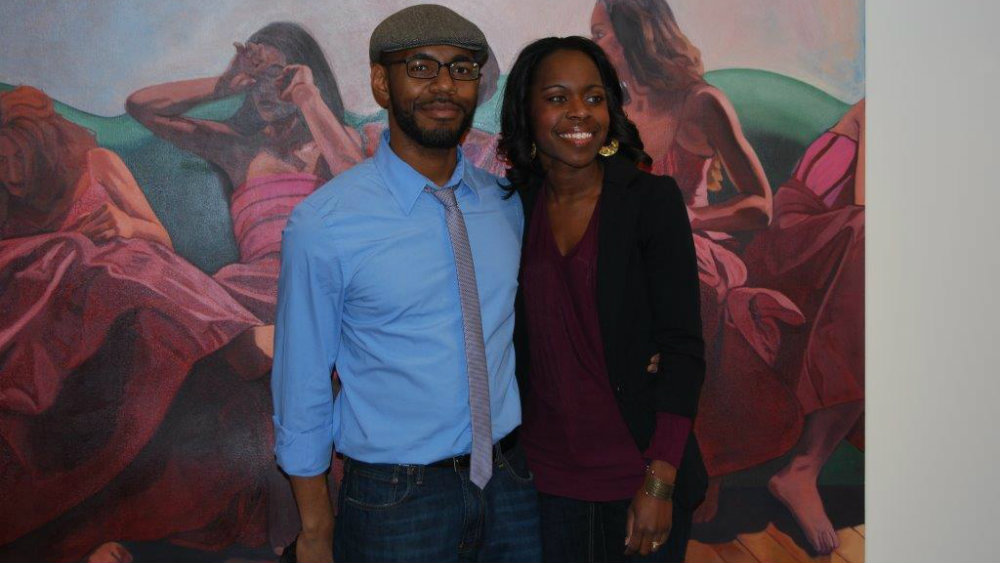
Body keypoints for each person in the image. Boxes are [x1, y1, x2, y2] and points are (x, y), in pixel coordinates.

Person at [271, 5, 541, 563]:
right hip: (396, 500)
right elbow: (302, 384)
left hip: (514, 484)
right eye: (420, 66)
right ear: (380, 82)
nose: (444, 84)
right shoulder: (324, 224)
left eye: (462, 68)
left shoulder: (508, 205)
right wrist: (316, 530)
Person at [0, 86, 274, 561]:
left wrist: (125, 227)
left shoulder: (98, 164)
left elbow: (159, 235)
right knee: (76, 257)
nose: (12, 172)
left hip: (123, 309)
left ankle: (234, 341)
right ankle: (236, 340)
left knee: (133, 264)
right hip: (55, 313)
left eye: (15, 155)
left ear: (42, 141)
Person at [591, 0, 810, 527]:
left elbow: (760, 204)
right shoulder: (607, 104)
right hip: (620, 244)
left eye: (600, 34)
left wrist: (679, 219)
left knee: (686, 293)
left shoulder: (700, 102)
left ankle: (696, 469)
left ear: (634, 35)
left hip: (691, 247)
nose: (593, 46)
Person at [498, 36, 706, 563]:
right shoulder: (510, 209)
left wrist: (659, 482)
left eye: (593, 98)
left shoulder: (649, 202)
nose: (579, 113)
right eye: (557, 97)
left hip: (637, 479)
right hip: (539, 486)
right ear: (526, 109)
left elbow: (682, 349)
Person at [126, 21, 364, 322]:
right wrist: (224, 85)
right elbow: (140, 106)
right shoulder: (238, 147)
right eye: (257, 79)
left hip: (329, 283)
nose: (264, 90)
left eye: (277, 76)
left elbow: (362, 191)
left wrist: (307, 96)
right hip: (256, 290)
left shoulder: (337, 142)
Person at [742, 99, 866, 554]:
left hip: (839, 249)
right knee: (877, 235)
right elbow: (864, 201)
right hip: (791, 243)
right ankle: (804, 468)